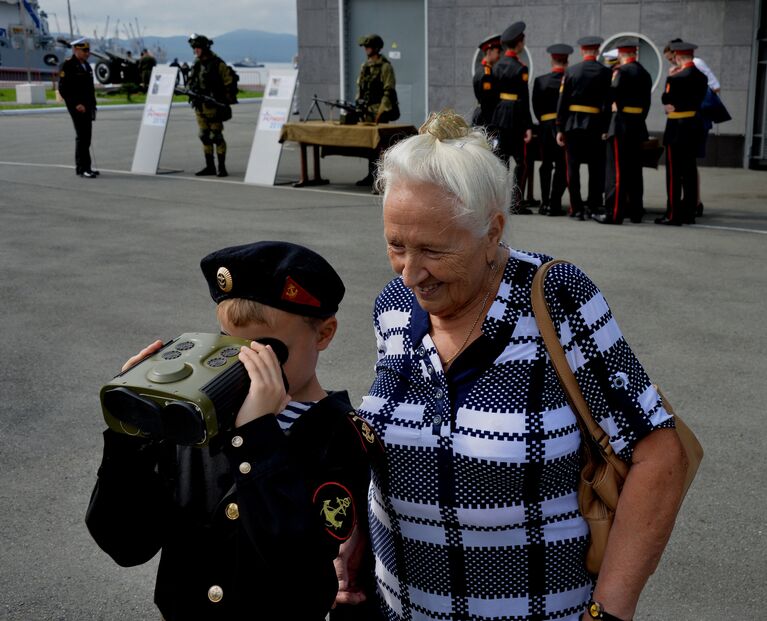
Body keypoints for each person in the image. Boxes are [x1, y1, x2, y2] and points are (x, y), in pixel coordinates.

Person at [335, 109, 688, 621]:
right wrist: (357, 531)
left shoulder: (557, 297)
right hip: (400, 609)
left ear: (492, 230)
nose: (412, 273)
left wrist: (610, 612)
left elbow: (660, 454)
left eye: (434, 249)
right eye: (396, 245)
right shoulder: (395, 305)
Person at [86, 241, 381, 621]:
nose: (243, 364)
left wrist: (258, 437)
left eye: (266, 350)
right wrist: (133, 437)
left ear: (323, 334)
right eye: (229, 343)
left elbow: (300, 570)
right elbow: (126, 543)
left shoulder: (340, 437)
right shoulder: (200, 422)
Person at [594, 38, 652, 225]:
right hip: (638, 125)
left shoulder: (620, 71)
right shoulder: (644, 73)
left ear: (621, 54)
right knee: (635, 170)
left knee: (616, 171)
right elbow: (647, 104)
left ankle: (615, 213)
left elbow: (611, 95)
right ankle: (636, 212)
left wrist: (606, 122)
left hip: (620, 125)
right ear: (634, 53)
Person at [556, 36, 611, 220]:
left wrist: (560, 128)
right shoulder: (605, 72)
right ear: (597, 51)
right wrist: (605, 127)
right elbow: (607, 102)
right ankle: (594, 205)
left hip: (573, 125)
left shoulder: (571, 71)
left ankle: (576, 208)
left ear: (582, 51)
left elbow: (562, 102)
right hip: (595, 125)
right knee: (596, 167)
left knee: (573, 167)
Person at [656, 41, 708, 226]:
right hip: (693, 126)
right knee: (690, 171)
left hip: (677, 127)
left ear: (677, 56)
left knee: (674, 174)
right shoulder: (702, 77)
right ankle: (689, 212)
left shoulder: (676, 78)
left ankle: (673, 214)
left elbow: (666, 98)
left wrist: (669, 79)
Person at [491, 21, 533, 213]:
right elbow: (524, 99)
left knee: (501, 161)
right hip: (516, 117)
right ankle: (516, 202)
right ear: (518, 43)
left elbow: (492, 96)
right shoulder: (520, 67)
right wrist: (528, 126)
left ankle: (499, 201)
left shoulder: (497, 66)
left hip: (499, 116)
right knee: (521, 161)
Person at [187, 34, 236, 177]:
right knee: (204, 135)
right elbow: (191, 81)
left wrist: (222, 101)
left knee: (216, 137)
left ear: (204, 48)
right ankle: (210, 167)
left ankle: (221, 167)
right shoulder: (197, 63)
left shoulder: (217, 63)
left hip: (214, 107)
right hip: (199, 105)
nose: (195, 51)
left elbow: (229, 83)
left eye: (198, 48)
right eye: (194, 48)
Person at [354, 34, 399, 187]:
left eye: (369, 47)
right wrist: (358, 106)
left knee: (381, 147)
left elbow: (388, 90)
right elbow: (360, 88)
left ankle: (381, 179)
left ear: (376, 48)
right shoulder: (365, 66)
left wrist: (381, 112)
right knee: (369, 147)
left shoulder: (385, 67)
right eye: (365, 47)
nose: (366, 49)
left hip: (379, 111)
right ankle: (371, 175)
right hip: (366, 111)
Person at [532, 43, 572, 216]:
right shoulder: (570, 79)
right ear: (567, 61)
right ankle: (555, 204)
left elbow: (536, 106)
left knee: (546, 165)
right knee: (562, 166)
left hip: (545, 128)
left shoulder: (540, 81)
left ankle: (544, 203)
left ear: (551, 60)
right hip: (564, 128)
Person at [58, 38, 99, 178]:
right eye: (85, 50)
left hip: (88, 106)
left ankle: (85, 167)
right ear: (76, 50)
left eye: (88, 50)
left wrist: (93, 105)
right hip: (77, 107)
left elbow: (89, 89)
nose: (88, 53)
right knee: (82, 137)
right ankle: (83, 168)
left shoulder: (86, 66)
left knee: (86, 137)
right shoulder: (68, 65)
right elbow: (64, 89)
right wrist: (76, 104)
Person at [471, 34, 501, 129]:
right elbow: (487, 100)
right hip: (486, 118)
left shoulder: (486, 70)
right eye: (498, 52)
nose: (499, 56)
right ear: (489, 51)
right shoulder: (486, 73)